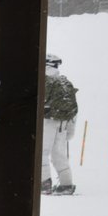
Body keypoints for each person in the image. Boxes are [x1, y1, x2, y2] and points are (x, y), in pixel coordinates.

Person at [42, 54, 79, 195]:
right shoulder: (64, 82)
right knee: (59, 153)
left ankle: (44, 183)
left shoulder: (44, 79)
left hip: (47, 121)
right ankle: (66, 184)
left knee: (42, 152)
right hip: (62, 122)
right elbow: (73, 110)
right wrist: (70, 130)